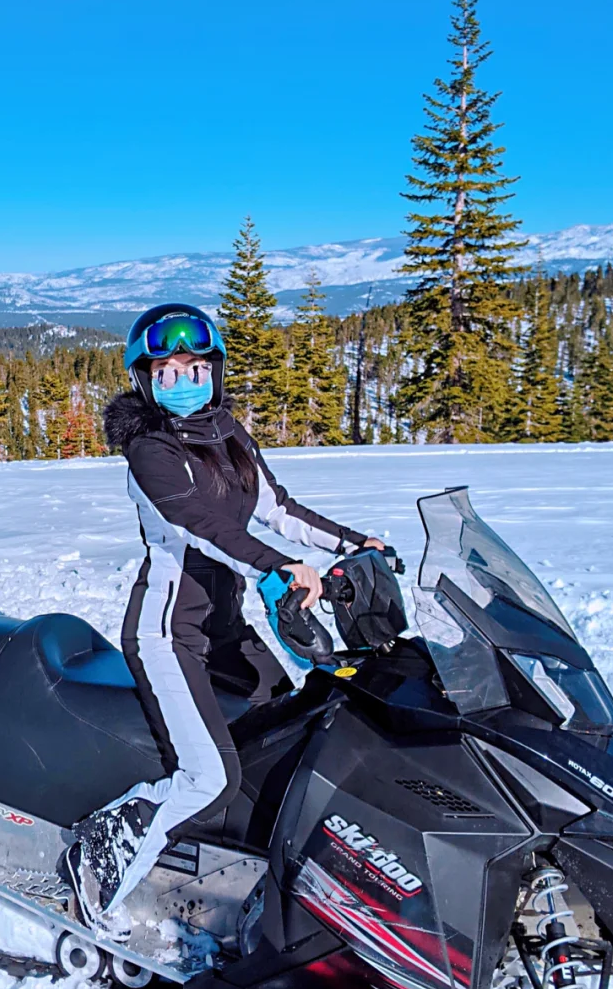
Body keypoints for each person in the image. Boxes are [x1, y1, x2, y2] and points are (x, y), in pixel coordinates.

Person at [69, 302, 384, 935]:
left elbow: (276, 507)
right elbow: (203, 527)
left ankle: (252, 862)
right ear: (145, 383)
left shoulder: (229, 432)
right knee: (207, 777)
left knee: (293, 727)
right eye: (165, 372)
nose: (181, 381)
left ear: (214, 372)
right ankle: (95, 867)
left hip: (224, 630)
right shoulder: (149, 452)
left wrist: (354, 545)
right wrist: (282, 567)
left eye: (194, 367)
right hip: (169, 635)